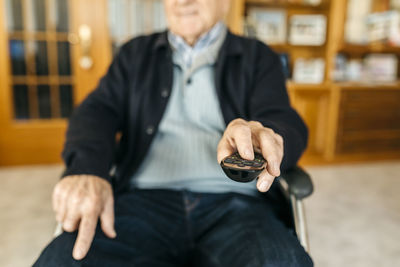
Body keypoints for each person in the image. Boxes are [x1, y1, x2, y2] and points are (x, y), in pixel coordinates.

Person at [34, 0, 312, 266]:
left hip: (239, 207)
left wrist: (267, 134)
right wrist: (88, 167)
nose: (183, 1)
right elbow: (97, 111)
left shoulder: (259, 56)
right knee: (64, 261)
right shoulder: (134, 53)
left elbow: (281, 116)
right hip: (140, 203)